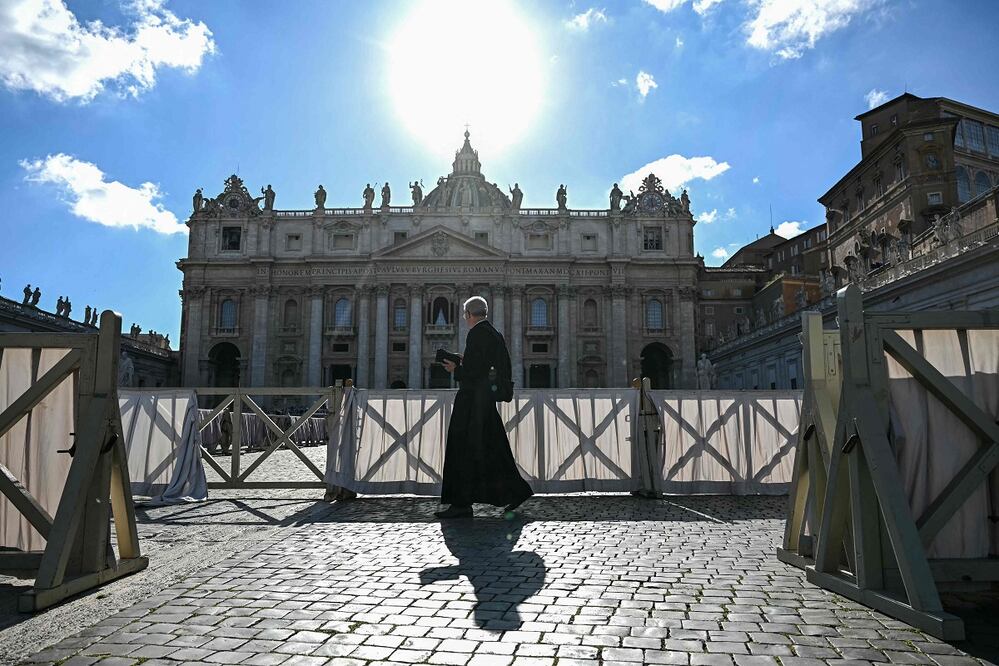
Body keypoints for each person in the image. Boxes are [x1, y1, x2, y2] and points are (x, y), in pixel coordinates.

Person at [437, 296, 533, 519]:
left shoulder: (476, 333)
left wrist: (455, 370)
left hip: (471, 403)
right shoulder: (494, 334)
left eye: (465, 315)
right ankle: (516, 491)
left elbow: (475, 372)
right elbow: (486, 367)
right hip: (485, 402)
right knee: (493, 449)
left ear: (468, 315)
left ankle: (461, 504)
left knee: (461, 450)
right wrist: (464, 360)